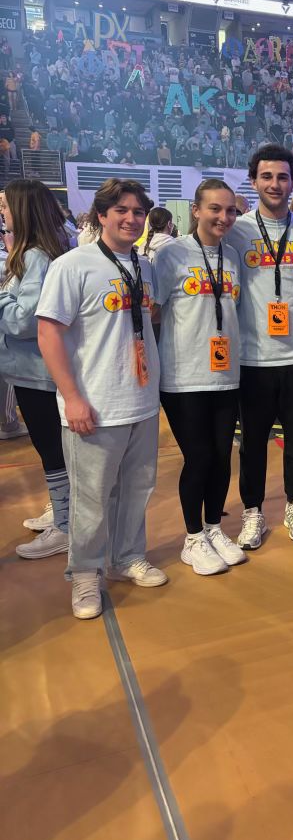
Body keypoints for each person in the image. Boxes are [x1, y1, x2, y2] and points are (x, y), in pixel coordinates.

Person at [37, 178, 168, 620]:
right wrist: (72, 397)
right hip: (93, 404)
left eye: (138, 212)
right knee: (91, 498)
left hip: (141, 401)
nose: (131, 219)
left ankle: (126, 556)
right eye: (122, 211)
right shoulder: (72, 265)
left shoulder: (143, 267)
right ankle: (86, 572)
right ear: (101, 215)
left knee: (137, 489)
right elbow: (49, 333)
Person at [227, 145, 293, 549]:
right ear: (253, 182)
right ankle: (253, 512)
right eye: (267, 177)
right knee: (253, 443)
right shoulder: (237, 231)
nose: (275, 184)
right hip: (253, 356)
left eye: (282, 177)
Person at [154, 179, 245, 576]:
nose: (223, 217)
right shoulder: (171, 255)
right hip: (184, 377)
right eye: (214, 209)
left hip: (226, 375)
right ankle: (192, 539)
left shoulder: (233, 257)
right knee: (199, 457)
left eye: (230, 210)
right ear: (195, 210)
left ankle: (213, 528)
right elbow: (152, 314)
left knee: (223, 458)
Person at [0, 180, 71, 558]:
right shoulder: (35, 252)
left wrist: (1, 296)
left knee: (51, 448)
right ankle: (62, 512)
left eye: (6, 206)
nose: (2, 212)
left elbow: (24, 321)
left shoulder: (36, 257)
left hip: (38, 372)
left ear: (22, 210)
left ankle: (65, 525)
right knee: (51, 449)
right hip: (33, 370)